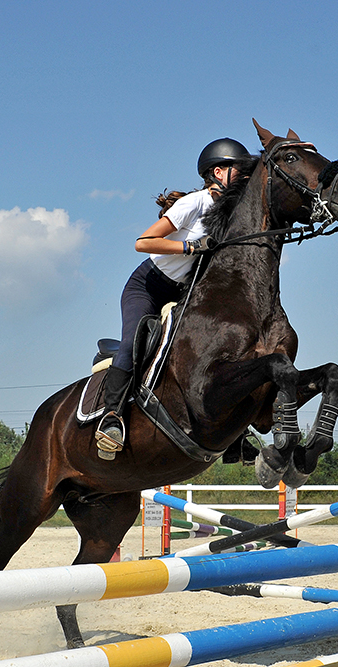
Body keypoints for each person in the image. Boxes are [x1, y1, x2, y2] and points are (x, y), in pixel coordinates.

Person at [95, 137, 252, 459]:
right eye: (240, 170)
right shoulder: (194, 203)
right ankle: (111, 417)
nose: (246, 176)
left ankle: (236, 430)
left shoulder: (234, 212)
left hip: (186, 291)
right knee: (134, 343)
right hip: (149, 285)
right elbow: (143, 242)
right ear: (218, 172)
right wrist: (190, 247)